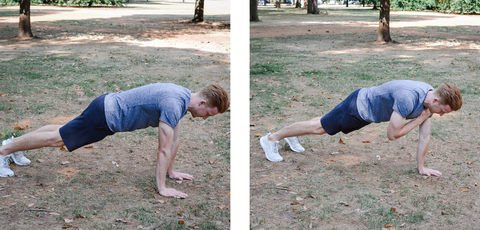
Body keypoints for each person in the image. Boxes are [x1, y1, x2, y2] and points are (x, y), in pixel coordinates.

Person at [0, 83, 229, 198]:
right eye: (209, 114)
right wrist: (162, 188)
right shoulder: (174, 103)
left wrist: (171, 173)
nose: (205, 118)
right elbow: (163, 150)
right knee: (58, 139)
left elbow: (175, 140)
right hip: (105, 117)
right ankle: (4, 151)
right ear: (202, 104)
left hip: (105, 107)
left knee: (61, 131)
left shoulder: (182, 96)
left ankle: (13, 145)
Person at [260, 80, 462, 177]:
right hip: (357, 108)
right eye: (442, 111)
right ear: (436, 99)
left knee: (322, 122)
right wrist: (419, 119)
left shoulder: (428, 103)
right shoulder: (409, 98)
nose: (441, 115)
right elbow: (392, 135)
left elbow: (425, 137)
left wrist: (422, 168)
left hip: (365, 112)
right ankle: (271, 138)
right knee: (320, 128)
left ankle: (291, 136)